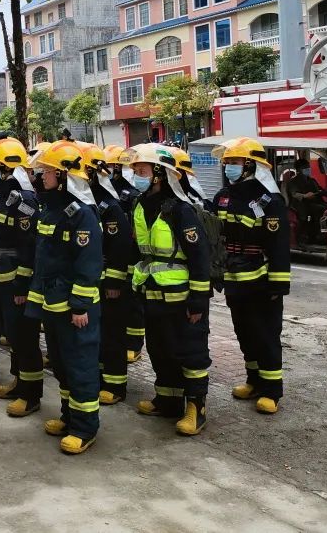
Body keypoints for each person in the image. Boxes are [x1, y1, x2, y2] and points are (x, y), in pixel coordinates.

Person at [127, 143, 211, 436]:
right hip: (151, 292)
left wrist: (199, 299)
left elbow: (200, 256)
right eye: (135, 170)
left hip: (182, 297)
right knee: (160, 349)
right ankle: (168, 399)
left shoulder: (181, 209)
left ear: (160, 173)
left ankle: (195, 408)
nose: (136, 174)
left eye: (142, 170)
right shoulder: (140, 204)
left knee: (190, 352)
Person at [26, 140, 103, 455]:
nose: (42, 175)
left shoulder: (81, 215)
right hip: (52, 303)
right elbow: (42, 262)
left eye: (47, 171)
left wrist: (80, 305)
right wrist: (35, 302)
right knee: (60, 364)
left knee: (80, 365)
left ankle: (85, 428)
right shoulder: (51, 210)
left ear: (64, 174)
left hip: (75, 308)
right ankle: (69, 417)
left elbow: (88, 263)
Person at [213, 137, 291, 415]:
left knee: (265, 333)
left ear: (250, 165)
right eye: (226, 162)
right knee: (244, 332)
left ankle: (272, 390)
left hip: (260, 279)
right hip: (235, 278)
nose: (228, 167)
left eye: (233, 162)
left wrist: (278, 282)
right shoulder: (223, 195)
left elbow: (279, 244)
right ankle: (254, 381)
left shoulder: (269, 199)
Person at [0, 134, 43, 417]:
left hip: (15, 278)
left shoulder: (24, 199)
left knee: (24, 337)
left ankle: (31, 395)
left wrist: (22, 284)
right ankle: (19, 382)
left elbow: (28, 244)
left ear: (7, 166)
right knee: (11, 333)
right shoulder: (2, 194)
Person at [80, 143, 137, 406]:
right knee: (96, 334)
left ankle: (115, 385)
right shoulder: (83, 199)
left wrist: (114, 281)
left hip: (109, 281)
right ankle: (99, 378)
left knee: (112, 334)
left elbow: (120, 246)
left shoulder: (107, 205)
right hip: (90, 279)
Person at [105, 144, 145, 364]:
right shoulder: (109, 189)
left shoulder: (133, 193)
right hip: (119, 255)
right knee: (122, 305)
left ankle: (135, 344)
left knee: (134, 303)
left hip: (134, 254)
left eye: (114, 166)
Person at [289, 158, 327, 244]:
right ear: (299, 169)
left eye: (308, 167)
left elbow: (320, 190)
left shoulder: (312, 180)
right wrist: (305, 196)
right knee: (320, 209)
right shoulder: (293, 182)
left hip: (315, 202)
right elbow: (294, 194)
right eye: (305, 167)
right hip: (302, 205)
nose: (308, 169)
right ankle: (315, 236)